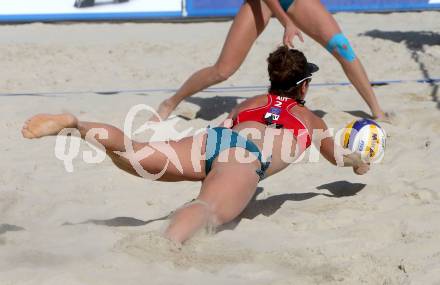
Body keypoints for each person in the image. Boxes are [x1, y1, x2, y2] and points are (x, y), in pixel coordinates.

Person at [22, 47, 370, 245]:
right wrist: (359, 163)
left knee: (135, 152)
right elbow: (337, 157)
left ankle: (78, 124)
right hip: (245, 156)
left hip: (214, 140)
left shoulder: (252, 101)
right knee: (207, 208)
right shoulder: (310, 120)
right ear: (304, 87)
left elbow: (231, 126)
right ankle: (165, 247)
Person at [154, 0, 389, 122]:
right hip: (263, 3)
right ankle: (171, 102)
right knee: (223, 70)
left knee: (342, 47)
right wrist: (286, 21)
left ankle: (377, 111)